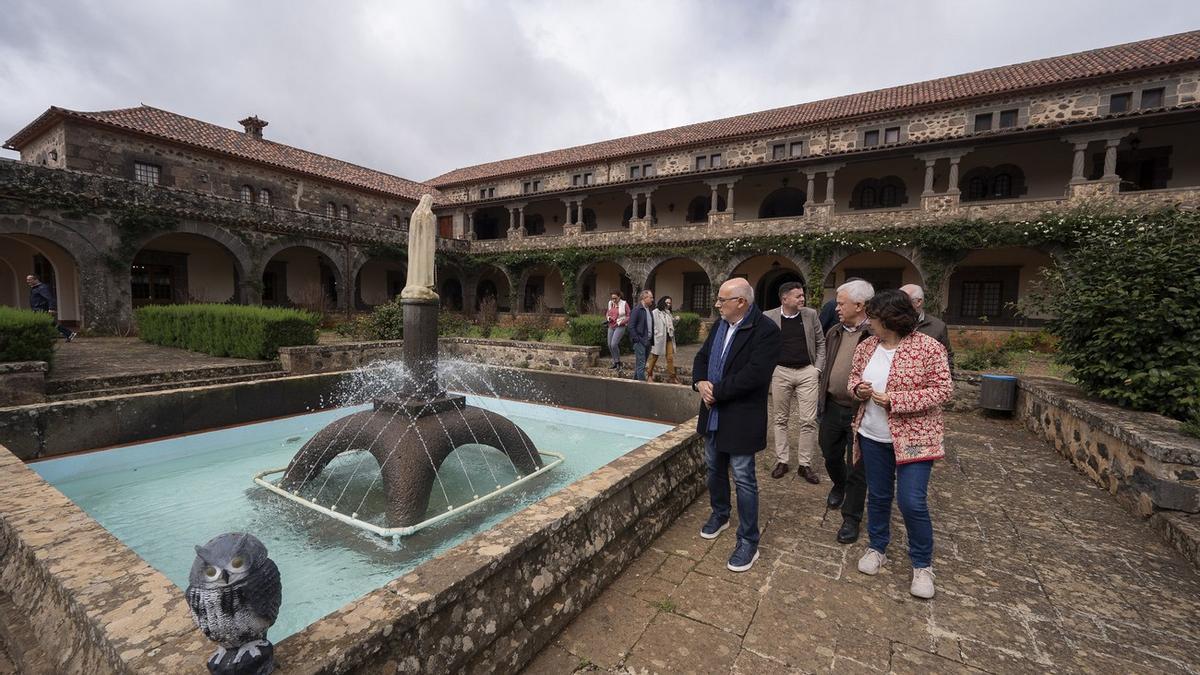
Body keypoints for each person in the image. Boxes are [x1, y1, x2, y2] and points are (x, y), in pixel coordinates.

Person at [848, 289, 953, 599]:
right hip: (872, 435)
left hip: (915, 439)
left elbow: (943, 390)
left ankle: (922, 564)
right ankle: (877, 547)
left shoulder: (928, 348)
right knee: (878, 495)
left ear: (890, 320)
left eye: (874, 318)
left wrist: (897, 400)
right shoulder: (867, 346)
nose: (869, 323)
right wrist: (860, 389)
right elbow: (853, 377)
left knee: (912, 501)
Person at [693, 278, 781, 573]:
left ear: (741, 302)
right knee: (713, 466)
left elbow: (755, 375)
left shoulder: (766, 331)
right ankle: (720, 514)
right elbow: (702, 357)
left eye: (722, 300)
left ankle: (748, 540)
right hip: (713, 412)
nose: (716, 304)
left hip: (740, 415)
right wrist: (700, 382)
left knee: (743, 476)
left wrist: (715, 391)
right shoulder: (720, 326)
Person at [817, 279, 874, 545]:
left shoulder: (874, 335)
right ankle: (838, 484)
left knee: (857, 467)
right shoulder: (834, 332)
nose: (836, 308)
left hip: (858, 411)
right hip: (831, 407)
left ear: (860, 305)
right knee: (829, 453)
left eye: (841, 303)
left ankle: (851, 518)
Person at [763, 282, 826, 483]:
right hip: (780, 371)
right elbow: (761, 344)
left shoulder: (811, 315)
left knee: (808, 420)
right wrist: (770, 368)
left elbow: (820, 342)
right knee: (780, 419)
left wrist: (816, 369)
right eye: (798, 296)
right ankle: (782, 460)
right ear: (785, 299)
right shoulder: (769, 316)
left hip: (807, 370)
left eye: (802, 295)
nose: (802, 299)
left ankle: (804, 464)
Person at [899, 284, 953, 365]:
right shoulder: (894, 323)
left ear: (918, 302)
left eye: (904, 301)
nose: (899, 305)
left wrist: (949, 377)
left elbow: (947, 357)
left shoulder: (938, 326)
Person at [25, 275, 76, 341]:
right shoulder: (35, 288)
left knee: (42, 324)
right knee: (51, 324)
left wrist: (51, 308)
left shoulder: (42, 288)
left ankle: (38, 339)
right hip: (36, 309)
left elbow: (50, 298)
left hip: (41, 310)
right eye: (27, 280)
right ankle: (69, 334)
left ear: (36, 279)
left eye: (29, 280)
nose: (27, 281)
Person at [646, 296, 678, 383]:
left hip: (669, 337)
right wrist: (656, 333)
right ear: (662, 302)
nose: (668, 305)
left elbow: (670, 324)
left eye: (670, 303)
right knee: (654, 357)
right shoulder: (655, 312)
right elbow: (652, 324)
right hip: (659, 338)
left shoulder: (668, 313)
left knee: (670, 358)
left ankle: (672, 377)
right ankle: (649, 375)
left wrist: (675, 320)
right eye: (666, 303)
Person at [628, 289, 655, 381]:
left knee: (640, 365)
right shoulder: (637, 310)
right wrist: (637, 339)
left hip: (648, 342)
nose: (652, 299)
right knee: (641, 366)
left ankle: (634, 384)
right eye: (651, 297)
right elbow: (631, 327)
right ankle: (643, 388)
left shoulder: (649, 310)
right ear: (644, 298)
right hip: (640, 342)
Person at [605, 290, 629, 370]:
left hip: (620, 325)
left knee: (614, 344)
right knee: (609, 344)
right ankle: (615, 362)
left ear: (619, 297)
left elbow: (629, 316)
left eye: (615, 298)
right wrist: (608, 318)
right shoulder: (610, 303)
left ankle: (618, 362)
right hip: (611, 325)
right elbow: (608, 313)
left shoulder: (624, 304)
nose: (614, 300)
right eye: (612, 298)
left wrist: (621, 322)